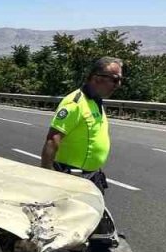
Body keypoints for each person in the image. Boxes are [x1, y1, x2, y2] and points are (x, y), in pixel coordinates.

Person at [39, 56, 122, 189]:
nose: (118, 85)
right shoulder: (75, 103)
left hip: (91, 177)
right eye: (115, 79)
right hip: (70, 178)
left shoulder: (96, 101)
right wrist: (47, 180)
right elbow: (52, 141)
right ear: (96, 78)